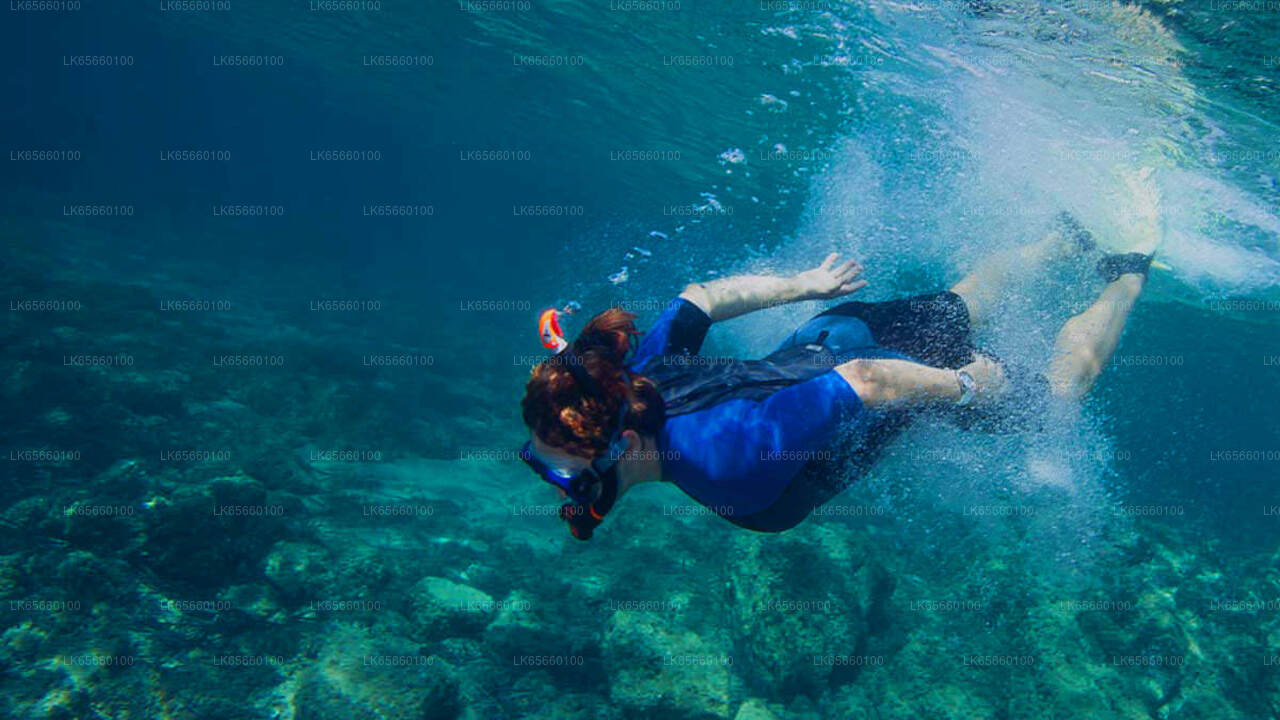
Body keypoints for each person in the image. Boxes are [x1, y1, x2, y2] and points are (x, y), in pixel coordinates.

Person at [518, 213, 1157, 539]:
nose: (559, 487)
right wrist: (807, 285)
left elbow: (869, 383)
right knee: (967, 302)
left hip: (887, 375)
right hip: (834, 332)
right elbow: (698, 299)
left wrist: (966, 387)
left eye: (564, 474)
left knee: (1057, 399)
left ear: (626, 444)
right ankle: (1061, 237)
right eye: (544, 464)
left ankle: (1130, 267)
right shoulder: (634, 379)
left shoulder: (725, 465)